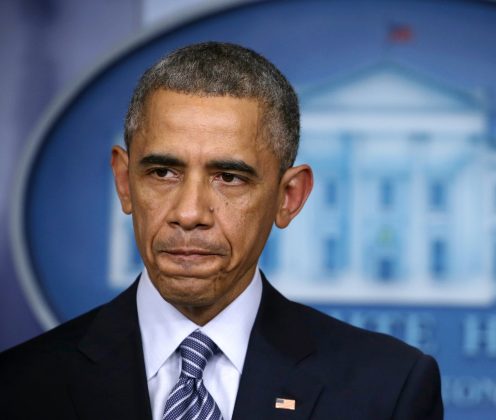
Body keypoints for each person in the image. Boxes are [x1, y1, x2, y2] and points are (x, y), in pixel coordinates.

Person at [0, 42, 443, 419]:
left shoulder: (387, 391)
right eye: (162, 172)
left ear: (288, 197)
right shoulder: (18, 386)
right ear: (124, 182)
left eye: (229, 178)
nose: (190, 213)